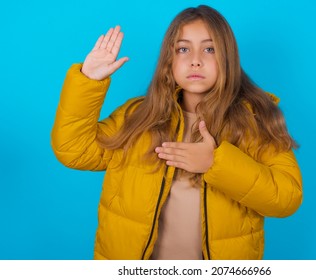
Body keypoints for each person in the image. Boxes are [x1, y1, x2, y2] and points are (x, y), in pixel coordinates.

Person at [51, 5, 302, 260]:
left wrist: (216, 162)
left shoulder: (253, 122)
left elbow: (286, 197)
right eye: (183, 49)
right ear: (169, 59)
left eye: (209, 49)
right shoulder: (137, 117)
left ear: (227, 57)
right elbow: (74, 150)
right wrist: (88, 80)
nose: (195, 59)